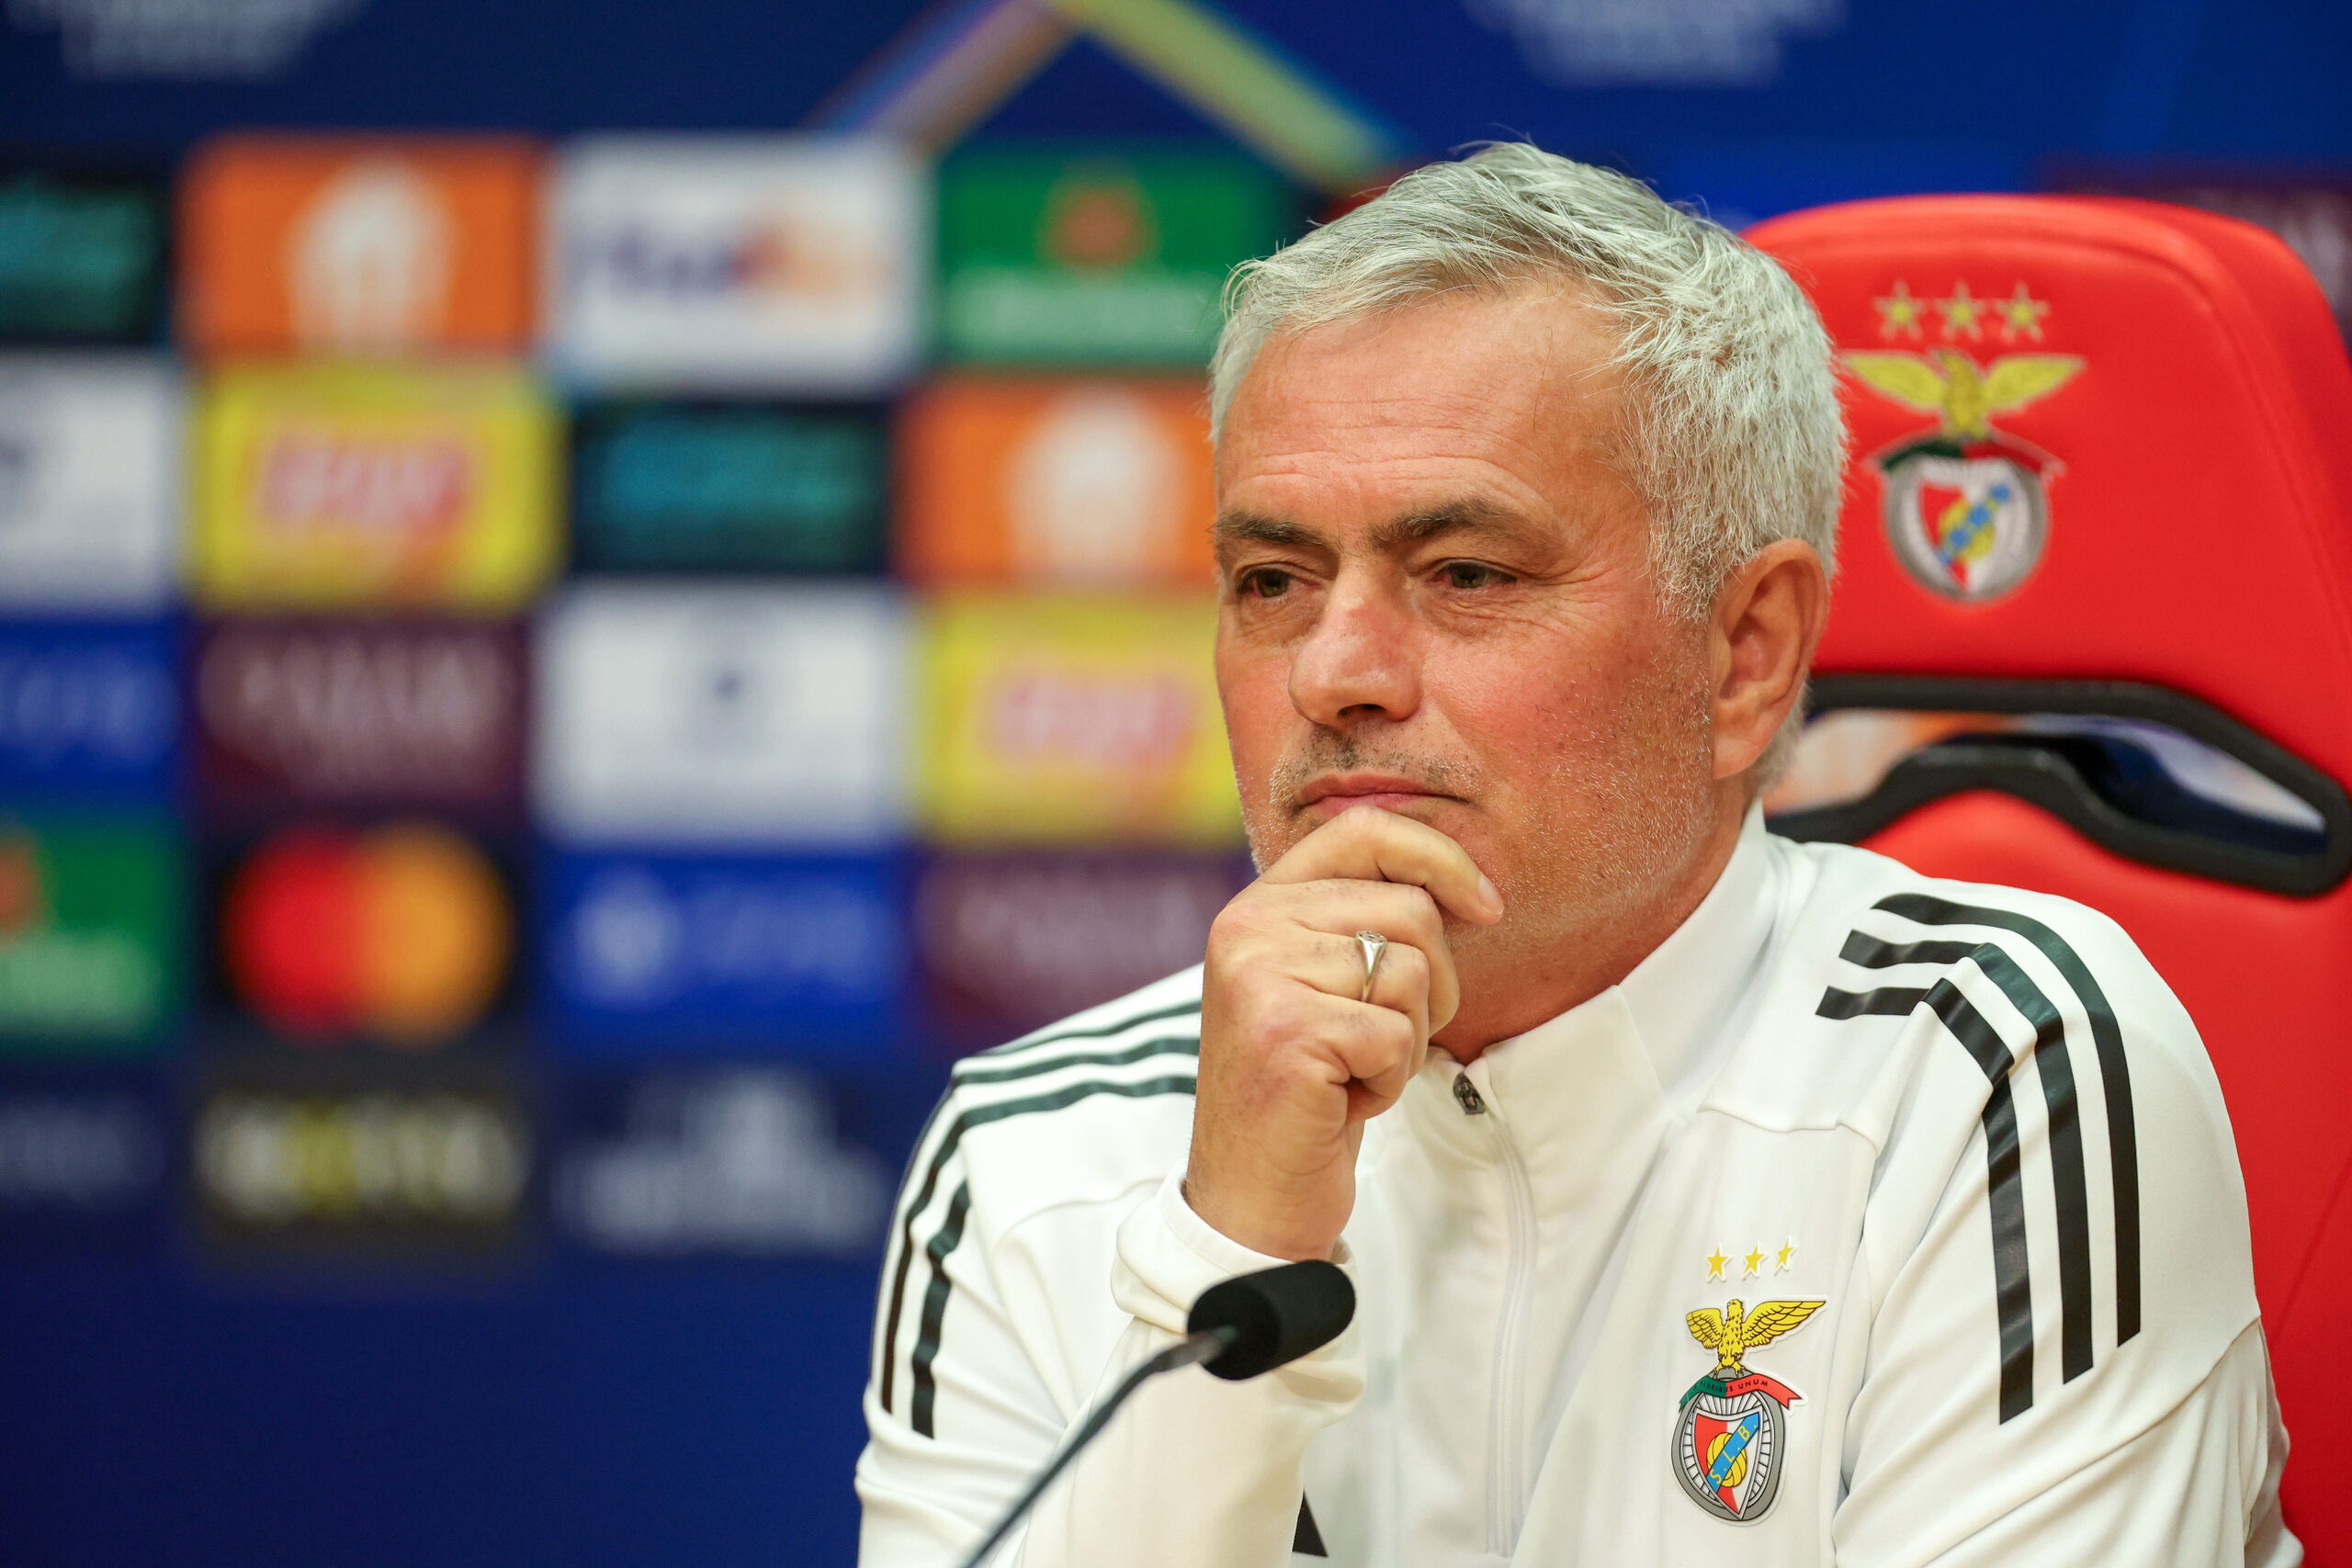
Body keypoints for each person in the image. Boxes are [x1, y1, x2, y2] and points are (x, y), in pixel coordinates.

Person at [855, 144, 2297, 1566]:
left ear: (1745, 655)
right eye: (1274, 580)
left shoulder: (1994, 1074)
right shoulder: (1029, 1158)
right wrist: (1229, 1249)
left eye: (1465, 573)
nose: (1335, 673)